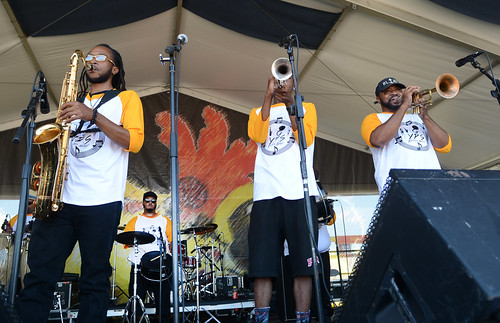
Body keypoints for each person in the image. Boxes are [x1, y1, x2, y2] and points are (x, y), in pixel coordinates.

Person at [18, 43, 144, 322]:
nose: (92, 61)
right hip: (60, 199)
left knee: (94, 280)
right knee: (39, 276)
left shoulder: (127, 98)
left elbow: (133, 142)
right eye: (88, 58)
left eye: (100, 57)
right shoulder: (74, 101)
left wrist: (93, 116)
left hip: (101, 201)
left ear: (115, 67)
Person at [247, 71, 319, 323]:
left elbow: (305, 139)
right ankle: (261, 318)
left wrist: (290, 102)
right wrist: (268, 96)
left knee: (303, 265)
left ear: (294, 83)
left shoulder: (306, 107)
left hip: (298, 193)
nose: (280, 83)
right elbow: (257, 135)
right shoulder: (258, 112)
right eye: (276, 79)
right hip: (266, 196)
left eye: (286, 78)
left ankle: (302, 318)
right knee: (262, 266)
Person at [361, 77, 452, 192]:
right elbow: (378, 140)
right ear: (378, 99)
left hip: (432, 185)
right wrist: (405, 105)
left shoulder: (418, 117)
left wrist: (425, 117)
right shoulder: (374, 118)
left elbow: (445, 146)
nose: (394, 93)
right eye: (387, 92)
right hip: (397, 188)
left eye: (398, 90)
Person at [123, 191, 172, 323]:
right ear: (143, 203)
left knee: (164, 305)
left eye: (153, 201)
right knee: (136, 305)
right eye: (147, 200)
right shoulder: (135, 221)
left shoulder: (165, 220)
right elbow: (126, 241)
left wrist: (171, 260)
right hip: (139, 266)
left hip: (161, 267)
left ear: (156, 203)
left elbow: (171, 242)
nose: (150, 203)